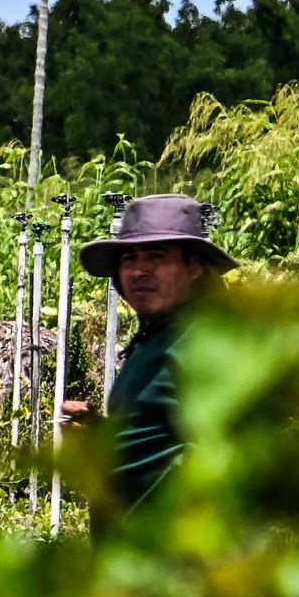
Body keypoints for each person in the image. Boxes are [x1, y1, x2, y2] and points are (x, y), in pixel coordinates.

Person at [73, 192, 235, 511]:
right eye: (128, 259)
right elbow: (159, 437)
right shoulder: (156, 337)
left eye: (156, 256)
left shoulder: (207, 342)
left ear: (194, 267)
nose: (138, 271)